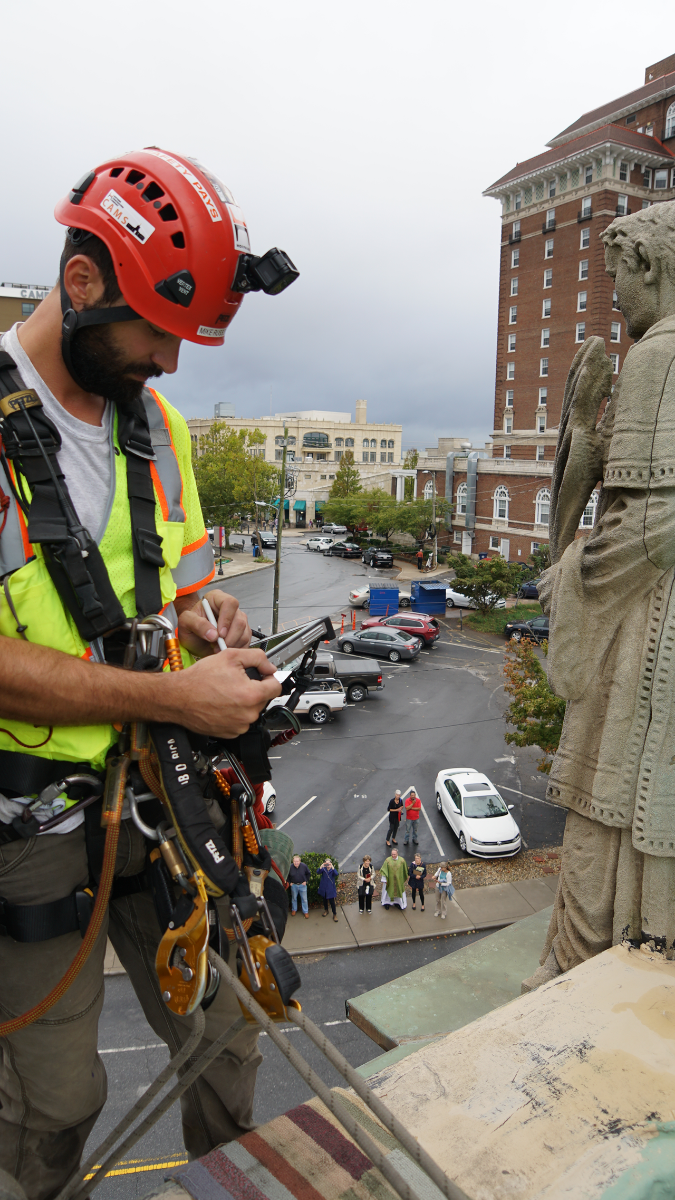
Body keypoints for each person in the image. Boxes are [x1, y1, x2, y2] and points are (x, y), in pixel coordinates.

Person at [0, 149, 297, 1200]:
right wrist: (173, 696)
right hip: (28, 825)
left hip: (154, 797)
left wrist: (202, 625)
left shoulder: (156, 428)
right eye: (156, 333)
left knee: (232, 1042)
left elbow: (180, 586)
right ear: (83, 283)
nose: (169, 363)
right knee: (57, 1103)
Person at [523, 205, 675, 992]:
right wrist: (580, 437)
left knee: (603, 809)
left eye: (615, 272)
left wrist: (568, 574)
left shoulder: (659, 354)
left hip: (643, 644)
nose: (612, 295)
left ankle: (582, 975)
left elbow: (647, 526)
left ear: (647, 265)